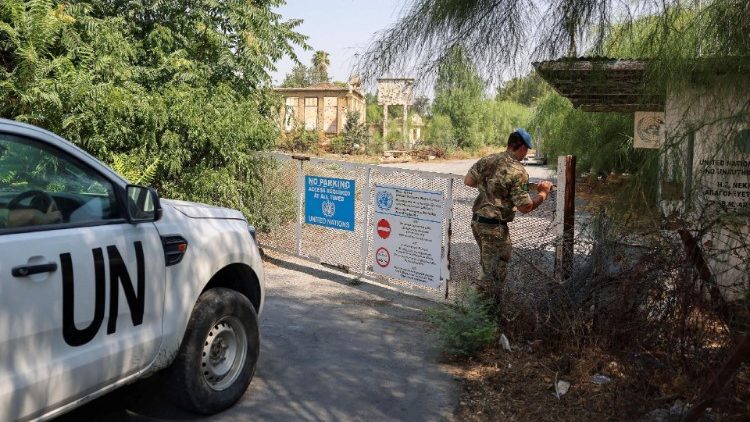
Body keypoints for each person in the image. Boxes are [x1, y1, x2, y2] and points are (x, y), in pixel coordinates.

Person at [464, 128, 553, 306]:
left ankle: (481, 313)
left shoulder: (488, 160)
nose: (525, 154)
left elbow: (469, 181)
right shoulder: (518, 171)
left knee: (489, 267)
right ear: (521, 148)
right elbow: (525, 207)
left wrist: (490, 189)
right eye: (526, 150)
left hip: (478, 222)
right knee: (493, 274)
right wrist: (543, 194)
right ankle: (476, 314)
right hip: (494, 228)